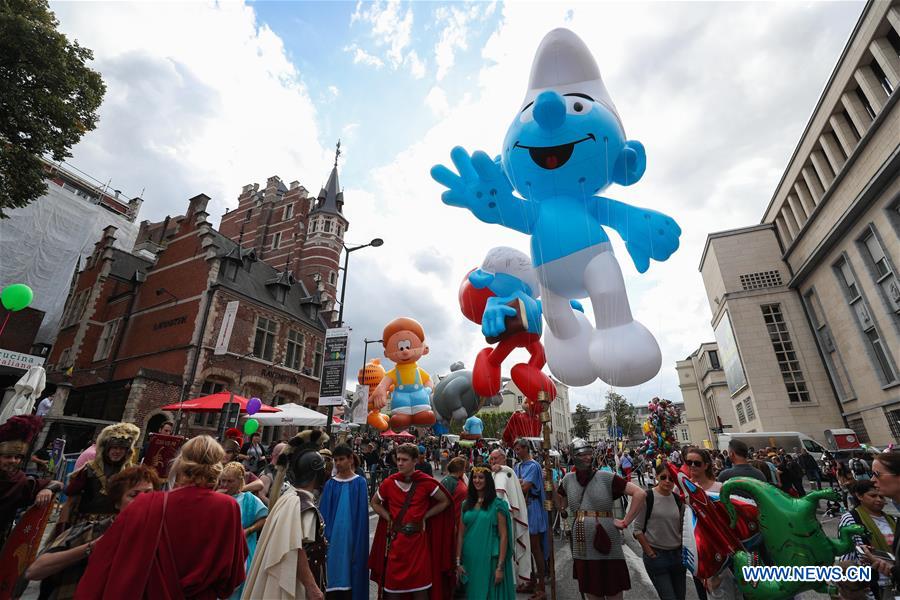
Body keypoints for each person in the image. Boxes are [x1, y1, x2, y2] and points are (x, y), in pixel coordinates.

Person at [74, 435, 247, 600]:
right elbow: (234, 576)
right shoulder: (228, 507)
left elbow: (105, 561)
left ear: (179, 464)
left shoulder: (146, 503)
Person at [26, 465, 162, 600]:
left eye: (149, 494)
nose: (143, 500)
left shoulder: (159, 538)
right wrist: (91, 547)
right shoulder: (90, 530)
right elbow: (34, 571)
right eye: (134, 495)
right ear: (117, 503)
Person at [243, 430, 329, 600]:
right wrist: (313, 588)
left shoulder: (288, 497)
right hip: (295, 584)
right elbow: (297, 550)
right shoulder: (304, 507)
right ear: (316, 473)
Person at [559, 438, 646, 600]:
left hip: (608, 541)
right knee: (592, 592)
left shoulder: (606, 477)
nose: (587, 457)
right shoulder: (567, 480)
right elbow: (561, 504)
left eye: (589, 454)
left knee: (614, 591)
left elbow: (639, 493)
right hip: (582, 542)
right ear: (573, 456)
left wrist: (626, 521)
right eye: (582, 454)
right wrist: (547, 487)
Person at [368, 443, 455, 599]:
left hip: (418, 545)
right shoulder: (389, 482)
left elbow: (445, 501)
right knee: (393, 592)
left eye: (405, 460)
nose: (400, 463)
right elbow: (374, 502)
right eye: (398, 459)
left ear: (415, 461)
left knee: (420, 592)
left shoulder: (426, 482)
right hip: (396, 544)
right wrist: (389, 517)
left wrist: (425, 516)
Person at [59, 423, 141, 533]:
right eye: (114, 447)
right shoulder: (88, 469)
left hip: (115, 526)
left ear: (128, 452)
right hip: (84, 526)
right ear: (106, 449)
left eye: (122, 448)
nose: (117, 451)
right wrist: (62, 531)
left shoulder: (130, 473)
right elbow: (69, 504)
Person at [0, 415, 61, 547]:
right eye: (8, 456)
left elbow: (57, 484)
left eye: (18, 457)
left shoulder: (19, 480)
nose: (13, 461)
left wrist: (47, 489)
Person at [318, 445, 369, 600]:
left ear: (350, 459)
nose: (338, 463)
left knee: (350, 573)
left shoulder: (359, 483)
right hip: (332, 539)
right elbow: (323, 515)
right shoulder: (330, 484)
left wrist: (358, 542)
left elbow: (361, 518)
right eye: (336, 460)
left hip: (352, 537)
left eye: (341, 459)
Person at [456, 467, 515, 599]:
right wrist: (458, 561)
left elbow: (504, 536)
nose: (477, 480)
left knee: (490, 594)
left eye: (481, 477)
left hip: (490, 558)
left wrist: (500, 567)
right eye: (475, 477)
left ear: (488, 480)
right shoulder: (466, 504)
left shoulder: (498, 505)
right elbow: (460, 534)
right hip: (470, 559)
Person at [634, 463, 686, 600]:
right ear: (656, 476)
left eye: (671, 478)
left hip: (678, 556)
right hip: (658, 557)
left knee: (681, 597)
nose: (667, 481)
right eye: (663, 477)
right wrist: (650, 552)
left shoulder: (678, 500)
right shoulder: (647, 497)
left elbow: (682, 527)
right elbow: (637, 529)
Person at [218, 462, 268, 600]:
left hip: (243, 550)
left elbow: (264, 518)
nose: (225, 484)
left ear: (240, 481)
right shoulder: (217, 498)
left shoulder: (249, 499)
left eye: (230, 481)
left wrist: (249, 530)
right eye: (223, 480)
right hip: (221, 551)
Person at [838, 480, 895, 600]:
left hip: (894, 578)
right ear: (859, 496)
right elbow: (847, 554)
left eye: (881, 497)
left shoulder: (891, 519)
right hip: (873, 585)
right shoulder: (851, 518)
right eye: (873, 496)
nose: (879, 500)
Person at [488, 447, 532, 589]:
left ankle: (510, 581)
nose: (493, 461)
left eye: (496, 458)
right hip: (504, 518)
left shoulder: (504, 473)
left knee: (506, 550)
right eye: (491, 459)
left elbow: (500, 497)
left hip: (506, 518)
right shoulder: (502, 472)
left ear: (503, 458)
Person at [513, 439, 548, 599]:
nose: (516, 451)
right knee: (526, 547)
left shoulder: (533, 466)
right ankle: (531, 580)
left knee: (535, 547)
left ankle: (541, 585)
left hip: (532, 508)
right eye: (515, 448)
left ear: (526, 449)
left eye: (519, 448)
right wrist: (518, 483)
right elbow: (514, 485)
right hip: (522, 508)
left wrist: (518, 483)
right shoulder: (517, 466)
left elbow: (524, 487)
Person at [441, 456, 469, 527]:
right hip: (452, 521)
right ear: (460, 469)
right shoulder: (449, 481)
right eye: (464, 468)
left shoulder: (458, 479)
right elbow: (443, 503)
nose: (464, 471)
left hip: (459, 519)